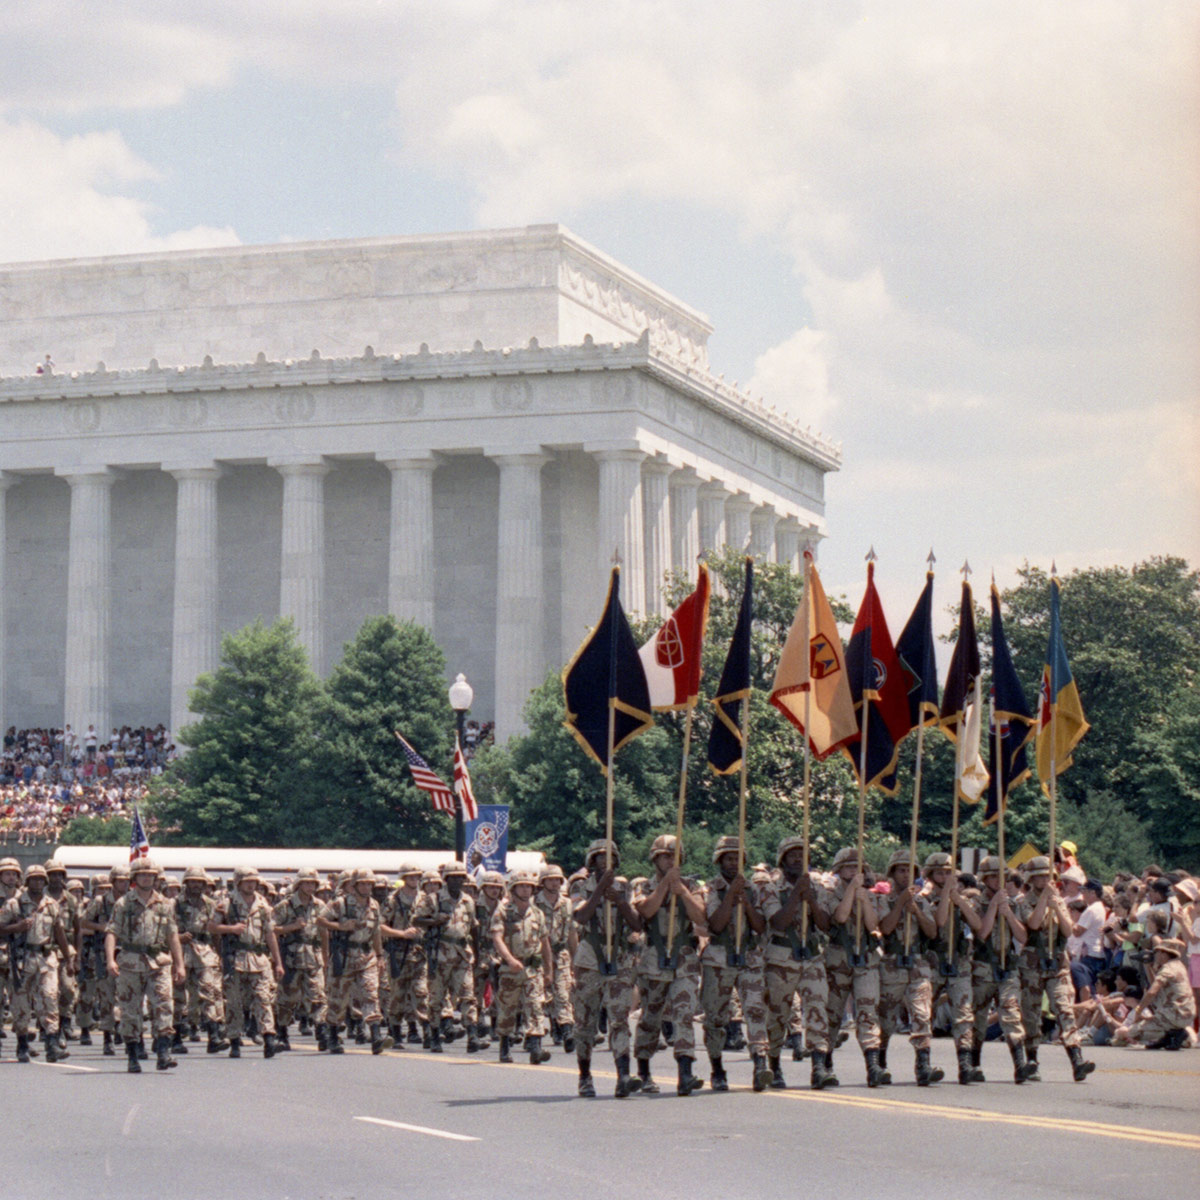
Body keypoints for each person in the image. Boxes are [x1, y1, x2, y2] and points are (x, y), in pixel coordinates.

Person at [633, 834, 708, 1097]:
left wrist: (683, 891)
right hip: (655, 955)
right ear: (655, 858)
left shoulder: (691, 885)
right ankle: (643, 1070)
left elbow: (701, 916)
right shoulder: (644, 885)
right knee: (652, 1016)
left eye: (674, 857)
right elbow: (646, 911)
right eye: (665, 856)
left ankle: (685, 1073)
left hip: (684, 955)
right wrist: (665, 885)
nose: (669, 861)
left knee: (684, 1014)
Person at [569, 839, 643, 1098]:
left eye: (609, 857)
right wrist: (600, 890)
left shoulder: (624, 886)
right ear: (591, 861)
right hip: (590, 959)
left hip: (619, 959)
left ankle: (623, 1075)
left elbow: (636, 925)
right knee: (585, 1022)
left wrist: (621, 901)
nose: (604, 861)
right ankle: (585, 1076)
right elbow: (580, 917)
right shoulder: (580, 886)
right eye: (600, 857)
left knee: (619, 1019)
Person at [1015, 856, 1095, 1082]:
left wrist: (1057, 906)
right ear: (1031, 879)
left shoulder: (1059, 900)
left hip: (1057, 964)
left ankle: (1077, 1059)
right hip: (1032, 964)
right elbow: (1033, 924)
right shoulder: (1024, 901)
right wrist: (1044, 902)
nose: (1044, 880)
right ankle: (1032, 1060)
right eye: (1039, 876)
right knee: (1031, 1014)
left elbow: (1069, 931)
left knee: (1064, 1009)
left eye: (1047, 876)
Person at [699, 835, 769, 1092]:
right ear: (720, 861)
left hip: (749, 958)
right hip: (719, 959)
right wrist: (730, 895)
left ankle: (760, 1064)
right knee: (716, 1017)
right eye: (728, 858)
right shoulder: (711, 888)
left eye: (737, 858)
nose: (732, 863)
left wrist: (746, 901)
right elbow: (715, 924)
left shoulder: (754, 889)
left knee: (755, 1010)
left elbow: (760, 926)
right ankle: (717, 1067)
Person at [105, 858, 185, 1072]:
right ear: (134, 878)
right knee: (130, 1010)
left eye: (150, 875)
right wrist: (111, 959)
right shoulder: (124, 903)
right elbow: (112, 932)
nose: (146, 878)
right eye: (142, 875)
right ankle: (132, 1054)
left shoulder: (165, 904)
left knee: (164, 1005)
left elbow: (173, 936)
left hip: (158, 962)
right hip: (131, 961)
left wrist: (180, 965)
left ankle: (163, 1053)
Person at [876, 849, 944, 1086]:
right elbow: (885, 928)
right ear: (892, 873)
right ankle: (879, 1062)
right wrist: (900, 904)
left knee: (922, 1014)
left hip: (917, 962)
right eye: (901, 870)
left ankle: (923, 1064)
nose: (905, 875)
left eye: (909, 870)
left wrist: (915, 909)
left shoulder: (922, 901)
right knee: (885, 1018)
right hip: (892, 962)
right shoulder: (883, 900)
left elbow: (932, 931)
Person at [969, 856, 1037, 1083]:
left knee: (1011, 1014)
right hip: (983, 966)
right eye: (993, 877)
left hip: (1007, 966)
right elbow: (982, 933)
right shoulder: (977, 903)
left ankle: (1020, 1064)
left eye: (1002, 877)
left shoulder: (1015, 904)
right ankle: (974, 1063)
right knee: (978, 1019)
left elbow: (1023, 936)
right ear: (985, 879)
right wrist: (993, 908)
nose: (999, 881)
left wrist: (1007, 913)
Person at [0, 863, 73, 1063]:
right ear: (27, 881)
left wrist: (68, 959)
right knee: (20, 1003)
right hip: (23, 959)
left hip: (46, 958)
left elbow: (59, 933)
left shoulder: (51, 905)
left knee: (50, 998)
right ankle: (22, 1043)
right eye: (34, 879)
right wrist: (17, 926)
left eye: (41, 879)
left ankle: (52, 1044)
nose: (38, 882)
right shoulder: (15, 904)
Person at [209, 866, 285, 1059]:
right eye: (247, 881)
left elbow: (270, 934)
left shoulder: (263, 905)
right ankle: (234, 1040)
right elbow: (211, 927)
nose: (251, 885)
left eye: (253, 881)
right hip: (236, 958)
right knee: (234, 1002)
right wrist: (231, 928)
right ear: (239, 882)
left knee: (263, 998)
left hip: (259, 959)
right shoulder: (226, 904)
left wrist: (277, 962)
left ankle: (268, 1037)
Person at [318, 867, 392, 1055]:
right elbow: (320, 920)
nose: (367, 887)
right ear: (354, 885)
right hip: (344, 956)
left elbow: (376, 931)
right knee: (338, 999)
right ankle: (333, 1036)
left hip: (366, 956)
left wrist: (380, 955)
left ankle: (376, 1036)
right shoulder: (340, 904)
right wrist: (339, 926)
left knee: (370, 994)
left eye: (369, 884)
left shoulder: (374, 905)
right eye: (363, 884)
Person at [412, 862, 479, 1053]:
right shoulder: (433, 900)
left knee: (468, 995)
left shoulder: (468, 901)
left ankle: (472, 1035)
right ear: (446, 880)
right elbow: (416, 919)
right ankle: (434, 1034)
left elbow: (474, 928)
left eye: (460, 877)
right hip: (439, 954)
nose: (457, 880)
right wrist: (434, 921)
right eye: (453, 877)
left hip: (462, 954)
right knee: (436, 997)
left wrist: (478, 955)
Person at [491, 871, 553, 1064]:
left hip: (532, 968)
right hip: (511, 969)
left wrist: (549, 970)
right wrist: (509, 959)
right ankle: (504, 1045)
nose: (526, 890)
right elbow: (496, 938)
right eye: (522, 886)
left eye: (529, 886)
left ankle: (535, 1047)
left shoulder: (537, 913)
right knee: (508, 1008)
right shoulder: (503, 911)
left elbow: (545, 942)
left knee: (535, 1006)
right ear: (514, 888)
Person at [273, 867, 329, 1051]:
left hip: (313, 956)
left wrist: (325, 956)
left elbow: (323, 931)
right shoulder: (285, 906)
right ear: (299, 884)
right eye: (306, 882)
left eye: (313, 883)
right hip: (292, 956)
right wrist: (292, 927)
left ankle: (322, 1032)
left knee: (318, 996)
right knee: (287, 999)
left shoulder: (320, 905)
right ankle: (282, 1033)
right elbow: (272, 930)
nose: (310, 886)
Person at [1114, 939, 1196, 1048]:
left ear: (1164, 953)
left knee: (1133, 1032)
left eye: (1157, 952)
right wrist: (1148, 966)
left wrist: (1139, 1010)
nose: (1155, 955)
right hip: (1184, 1012)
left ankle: (1174, 1035)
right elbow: (1156, 986)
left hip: (1174, 1013)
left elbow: (1152, 991)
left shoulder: (1167, 969)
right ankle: (1171, 1037)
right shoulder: (1178, 965)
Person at [381, 863, 430, 1046]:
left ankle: (427, 1030)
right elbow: (380, 926)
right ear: (403, 879)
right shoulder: (393, 900)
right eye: (410, 877)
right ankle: (395, 1031)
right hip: (399, 953)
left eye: (416, 876)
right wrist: (401, 933)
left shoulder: (426, 899)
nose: (414, 880)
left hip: (420, 952)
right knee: (398, 995)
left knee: (421, 992)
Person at [536, 864, 575, 1052]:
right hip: (539, 954)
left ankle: (567, 1030)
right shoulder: (535, 902)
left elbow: (572, 932)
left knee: (563, 993)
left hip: (561, 953)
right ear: (543, 882)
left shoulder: (566, 903)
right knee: (544, 994)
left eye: (557, 880)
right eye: (550, 879)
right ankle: (554, 1023)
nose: (554, 883)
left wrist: (575, 959)